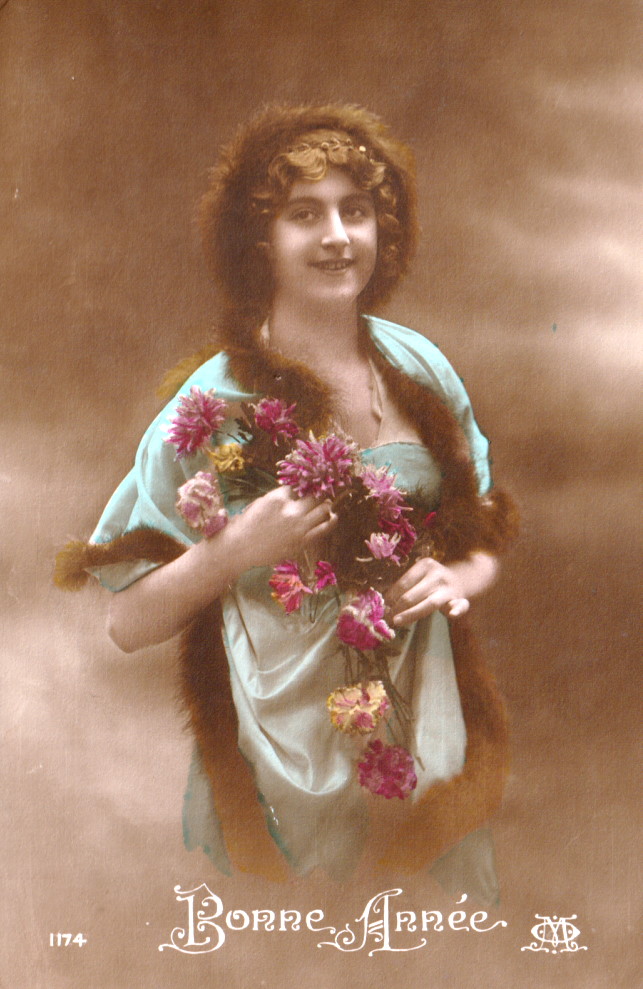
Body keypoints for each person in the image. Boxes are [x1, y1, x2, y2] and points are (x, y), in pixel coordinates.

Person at [56, 103, 517, 899]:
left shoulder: (418, 367)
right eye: (305, 214)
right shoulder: (212, 404)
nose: (337, 236)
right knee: (291, 935)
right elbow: (126, 622)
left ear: (382, 228)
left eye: (355, 211)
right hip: (274, 754)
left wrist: (457, 577)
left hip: (423, 733)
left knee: (424, 935)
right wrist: (232, 552)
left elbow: (477, 535)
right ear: (260, 240)